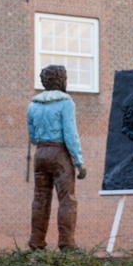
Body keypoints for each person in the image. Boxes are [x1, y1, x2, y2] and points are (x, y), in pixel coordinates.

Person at [27, 65, 87, 251]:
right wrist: (79, 161)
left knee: (40, 199)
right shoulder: (66, 103)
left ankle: (37, 242)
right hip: (59, 154)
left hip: (41, 154)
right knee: (67, 199)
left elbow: (32, 137)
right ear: (62, 81)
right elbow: (70, 134)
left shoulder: (33, 105)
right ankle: (67, 244)